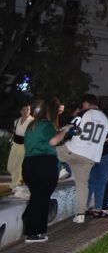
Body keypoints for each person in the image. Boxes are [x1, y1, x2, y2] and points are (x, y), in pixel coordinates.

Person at [53, 93, 108, 224]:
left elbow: (72, 129)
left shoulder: (84, 113)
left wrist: (65, 129)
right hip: (90, 157)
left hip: (74, 150)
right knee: (82, 185)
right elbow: (106, 137)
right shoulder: (105, 118)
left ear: (86, 104)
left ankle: (63, 168)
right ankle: (80, 214)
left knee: (51, 149)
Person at [21, 98, 60, 243]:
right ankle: (34, 232)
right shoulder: (48, 125)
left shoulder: (32, 124)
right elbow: (53, 141)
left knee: (37, 196)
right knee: (42, 198)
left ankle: (32, 228)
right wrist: (65, 131)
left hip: (29, 163)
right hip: (44, 163)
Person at [85, 106, 108, 217]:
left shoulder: (95, 121)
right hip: (106, 155)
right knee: (101, 183)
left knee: (90, 182)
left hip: (92, 154)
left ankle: (84, 207)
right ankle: (98, 208)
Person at [8, 103, 33, 196]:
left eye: (27, 109)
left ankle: (15, 185)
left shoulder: (32, 122)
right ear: (20, 111)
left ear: (30, 111)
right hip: (15, 144)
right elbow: (16, 132)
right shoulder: (17, 121)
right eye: (24, 109)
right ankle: (20, 179)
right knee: (10, 166)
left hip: (24, 145)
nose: (25, 111)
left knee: (18, 166)